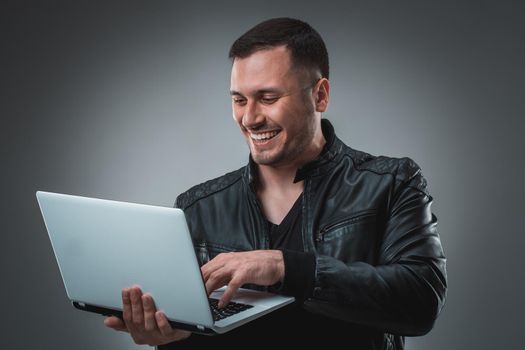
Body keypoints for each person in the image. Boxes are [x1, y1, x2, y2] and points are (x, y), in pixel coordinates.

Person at [104, 17, 447, 349]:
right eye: (239, 100)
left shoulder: (391, 183)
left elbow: (420, 302)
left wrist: (284, 266)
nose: (250, 118)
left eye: (268, 98)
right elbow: (199, 329)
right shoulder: (196, 209)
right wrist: (171, 339)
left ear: (320, 96)